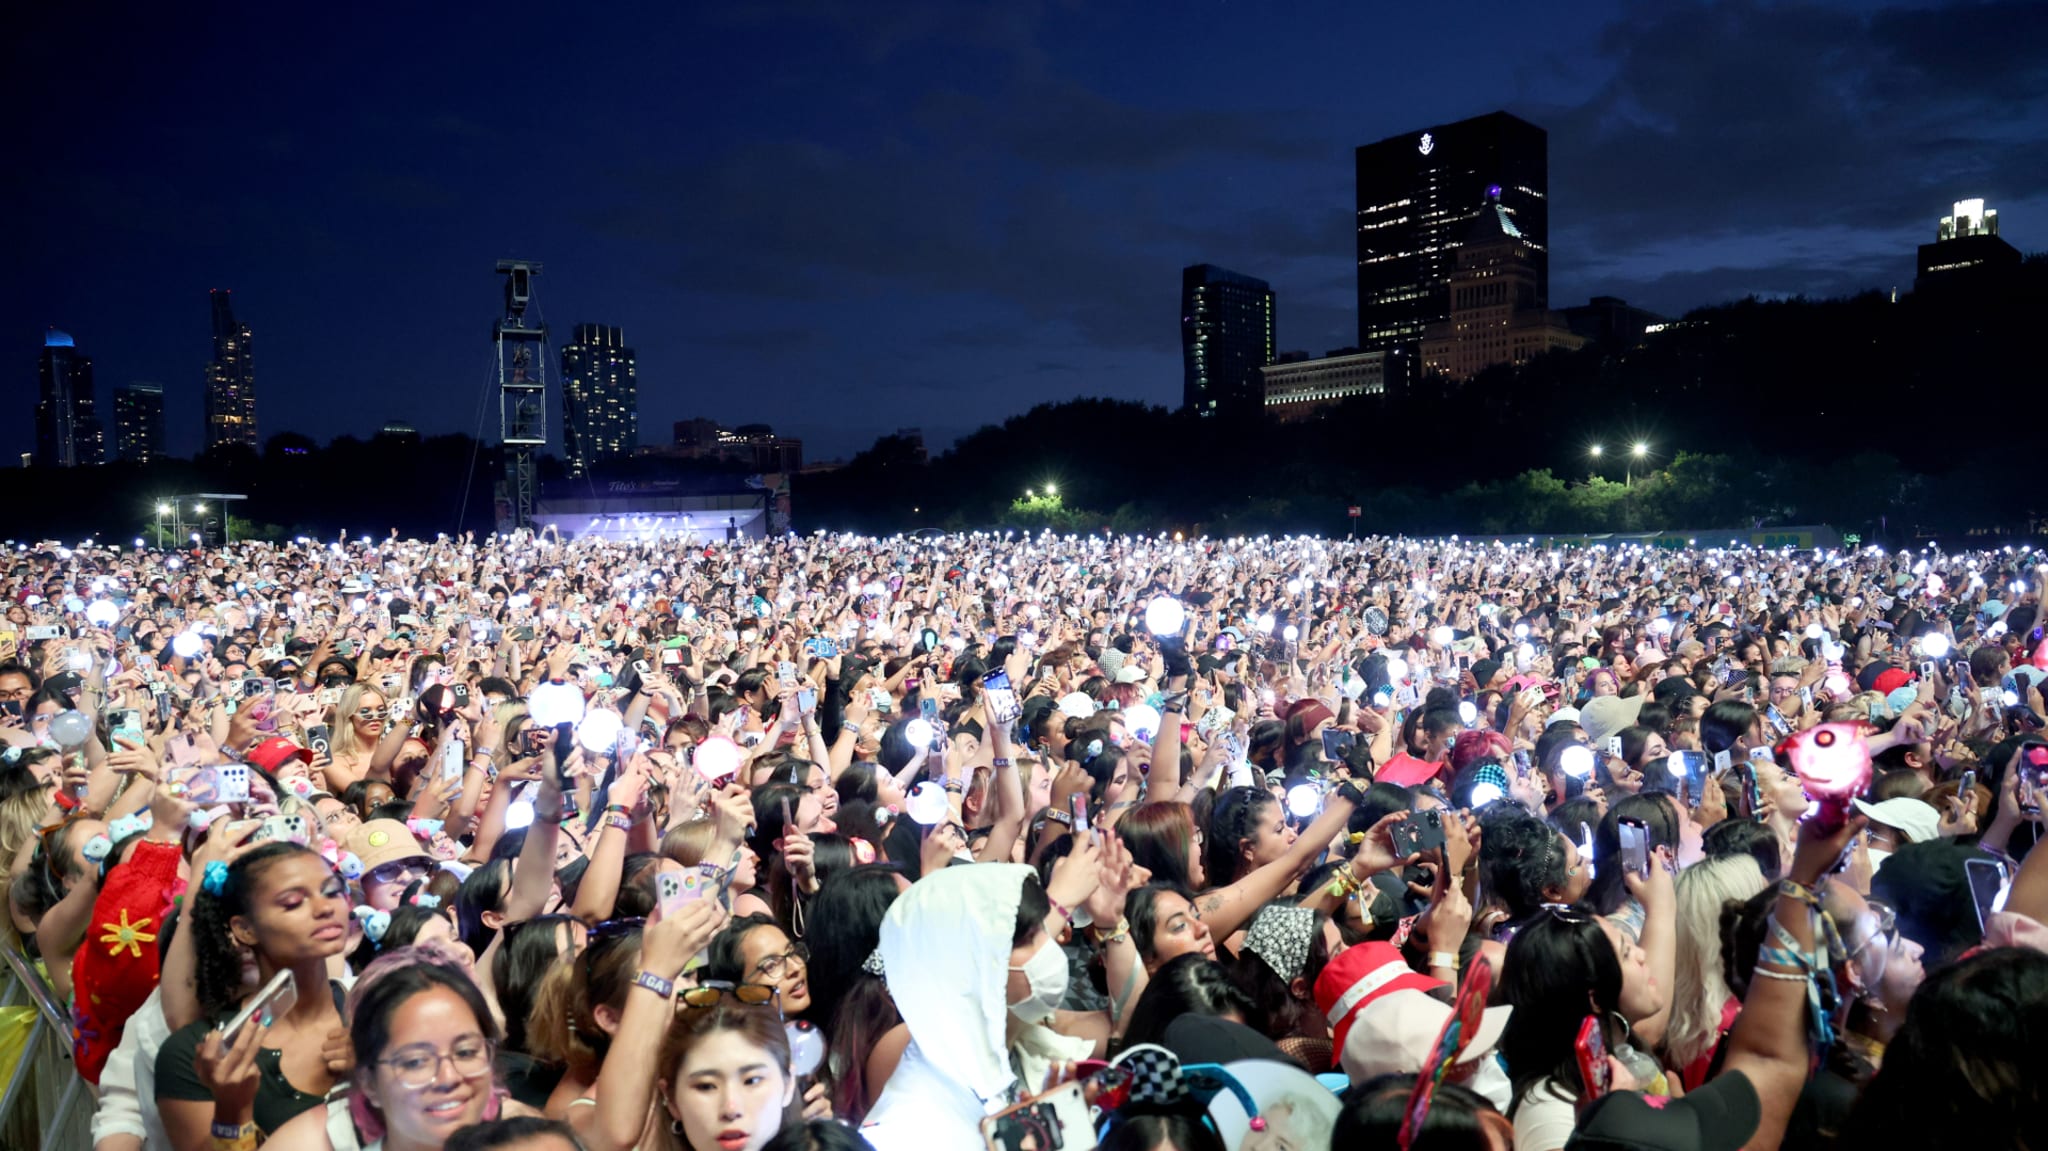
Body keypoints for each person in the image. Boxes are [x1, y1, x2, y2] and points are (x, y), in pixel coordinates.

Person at [154, 841, 353, 1148]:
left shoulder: (381, 1013)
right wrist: (233, 1109)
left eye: (331, 890)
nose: (325, 908)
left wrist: (379, 1071)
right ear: (245, 929)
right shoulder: (193, 1053)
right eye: (292, 902)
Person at [264, 942, 517, 1150]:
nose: (448, 1077)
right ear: (369, 1082)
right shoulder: (307, 1142)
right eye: (415, 1061)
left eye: (465, 1052)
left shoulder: (531, 1138)